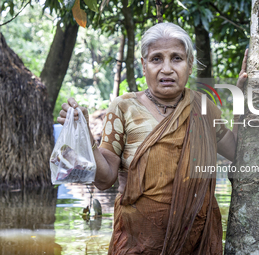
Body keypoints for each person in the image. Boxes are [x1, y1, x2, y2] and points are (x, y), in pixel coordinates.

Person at [57, 22, 248, 255]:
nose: (167, 68)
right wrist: (85, 135)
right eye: (157, 59)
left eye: (176, 58)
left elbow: (238, 153)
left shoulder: (202, 108)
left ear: (189, 65)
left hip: (195, 243)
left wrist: (242, 99)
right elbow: (104, 179)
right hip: (137, 244)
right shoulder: (124, 107)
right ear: (143, 65)